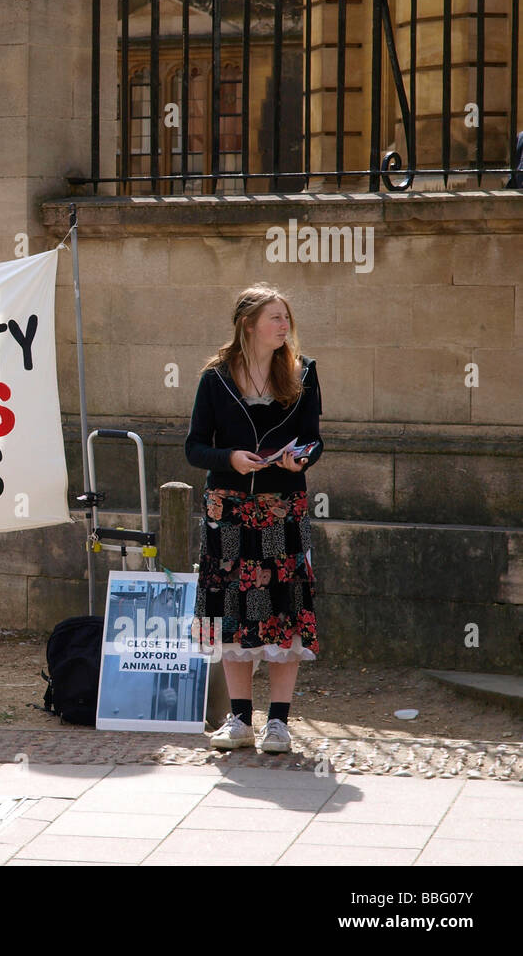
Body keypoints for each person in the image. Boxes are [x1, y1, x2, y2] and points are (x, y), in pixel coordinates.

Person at [184, 285, 323, 754]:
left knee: (285, 609)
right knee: (231, 613)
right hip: (228, 510)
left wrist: (300, 459)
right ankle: (239, 720)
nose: (284, 327)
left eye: (286, 318)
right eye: (275, 319)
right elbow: (194, 447)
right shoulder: (215, 379)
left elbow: (314, 439)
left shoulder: (303, 373)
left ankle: (278, 724)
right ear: (248, 324)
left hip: (284, 510)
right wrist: (230, 458)